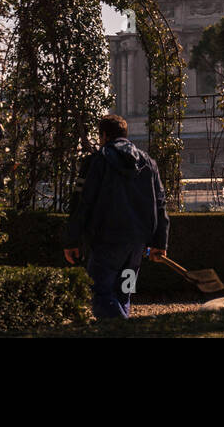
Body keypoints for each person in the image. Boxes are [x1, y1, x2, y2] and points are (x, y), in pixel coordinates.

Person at [63, 113, 170, 319]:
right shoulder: (149, 163)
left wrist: (72, 240)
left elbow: (82, 203)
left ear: (103, 135)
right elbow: (161, 204)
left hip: (107, 243)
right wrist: (160, 242)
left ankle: (123, 330)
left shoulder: (96, 161)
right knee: (125, 292)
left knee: (100, 292)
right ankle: (123, 323)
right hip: (137, 250)